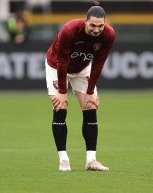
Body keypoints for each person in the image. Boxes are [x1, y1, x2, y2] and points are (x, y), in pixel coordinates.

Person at [45, 3, 115, 171]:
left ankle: (91, 161)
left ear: (105, 22)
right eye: (93, 25)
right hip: (56, 66)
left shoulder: (109, 35)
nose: (97, 29)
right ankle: (64, 160)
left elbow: (98, 63)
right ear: (85, 21)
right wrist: (62, 92)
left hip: (82, 69)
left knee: (91, 106)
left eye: (100, 26)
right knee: (60, 106)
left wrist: (91, 92)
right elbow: (62, 62)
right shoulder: (69, 30)